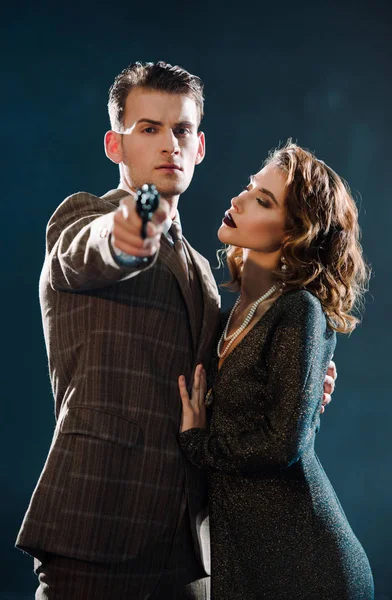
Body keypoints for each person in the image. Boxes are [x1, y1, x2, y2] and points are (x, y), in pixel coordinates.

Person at [16, 62, 335, 599]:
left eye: (181, 129)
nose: (169, 144)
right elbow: (93, 251)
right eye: (148, 128)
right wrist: (138, 222)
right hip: (97, 527)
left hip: (191, 548)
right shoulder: (82, 219)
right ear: (115, 147)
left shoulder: (205, 274)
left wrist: (297, 381)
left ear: (200, 145)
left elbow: (218, 385)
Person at [178, 142, 374, 599]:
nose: (239, 200)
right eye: (250, 187)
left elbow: (281, 442)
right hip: (247, 561)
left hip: (308, 567)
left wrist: (197, 443)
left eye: (263, 200)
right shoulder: (231, 316)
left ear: (294, 234)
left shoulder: (299, 310)